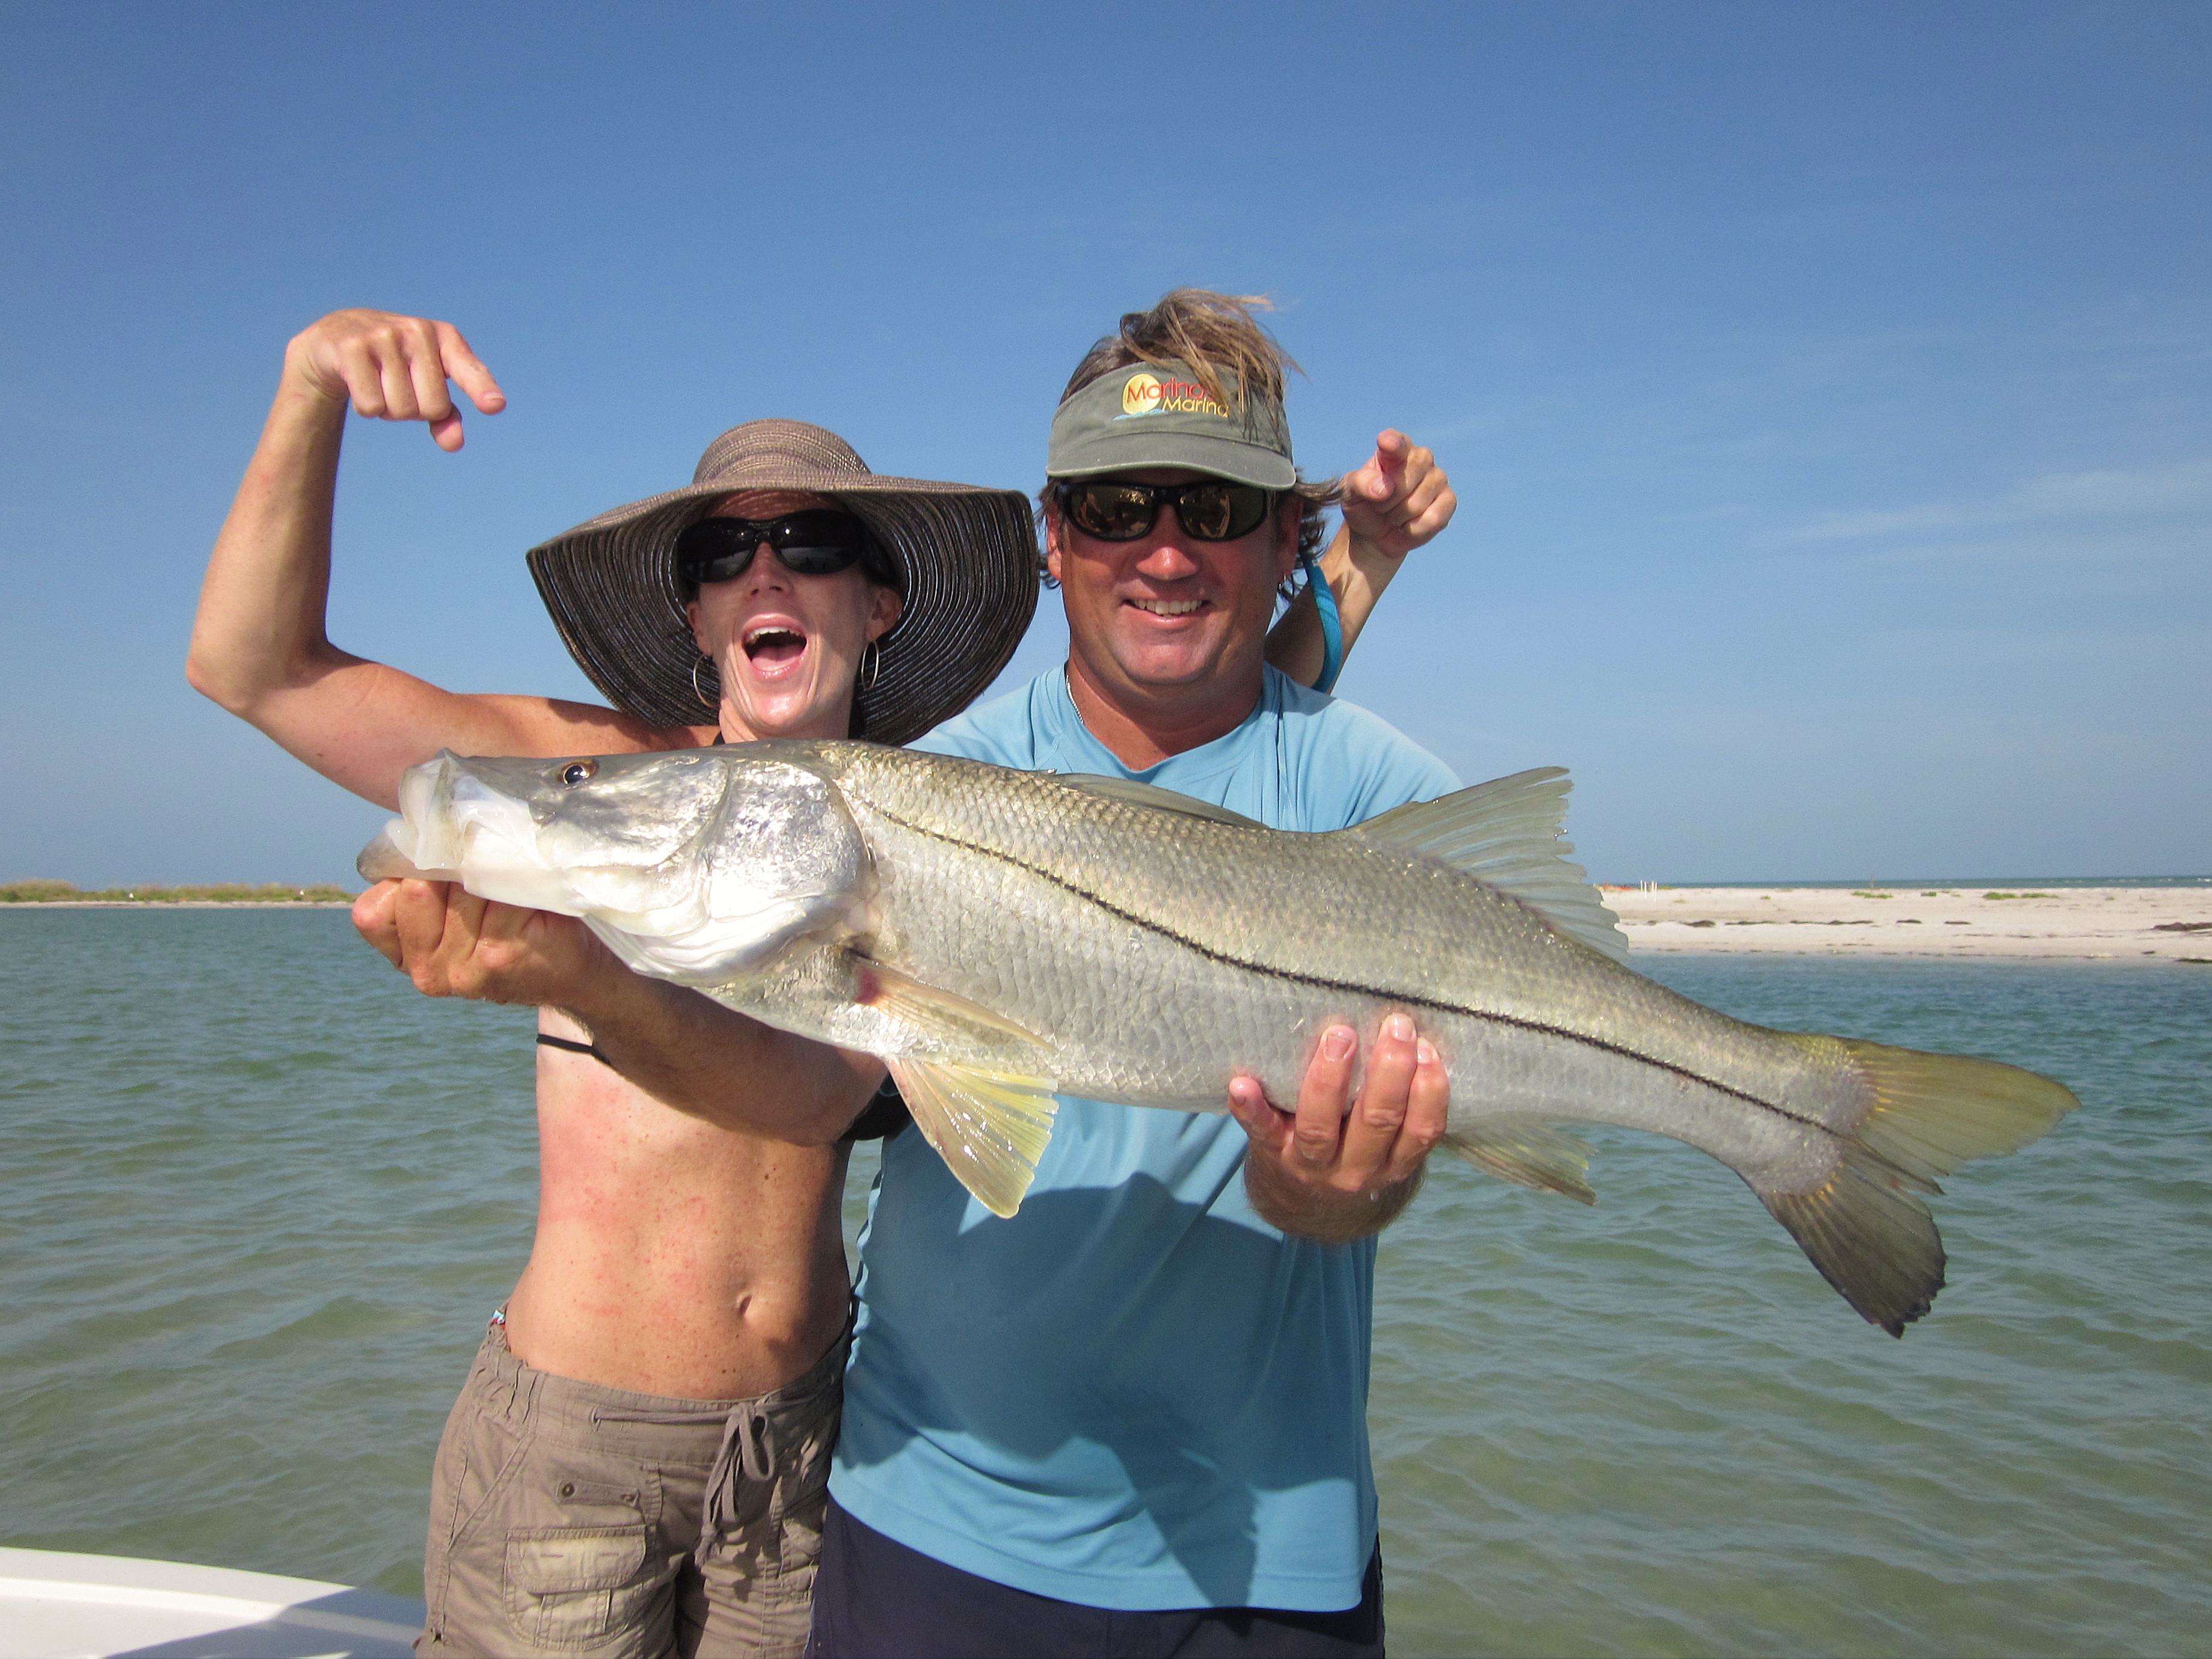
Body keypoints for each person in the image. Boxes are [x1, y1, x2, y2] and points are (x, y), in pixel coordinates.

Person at [192, 303, 1448, 1657]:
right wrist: (311, 384)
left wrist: (1350, 566)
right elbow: (260, 671)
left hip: (802, 1451)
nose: (769, 575)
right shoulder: (608, 781)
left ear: (879, 596)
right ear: (692, 603)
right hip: (596, 1436)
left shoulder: (935, 795)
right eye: (725, 550)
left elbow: (1192, 804)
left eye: (814, 543)